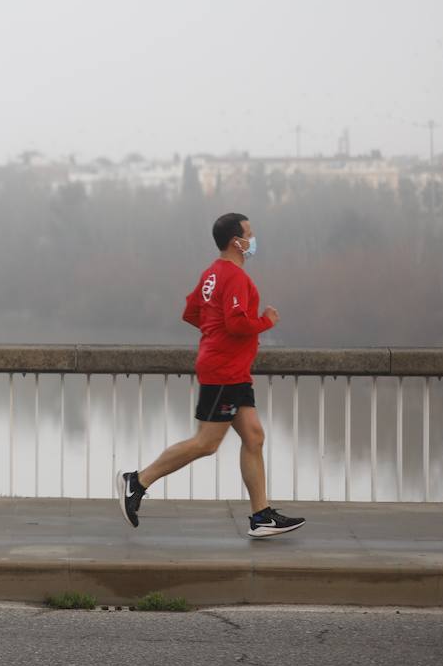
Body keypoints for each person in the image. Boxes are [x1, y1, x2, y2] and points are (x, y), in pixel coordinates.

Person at [118, 212, 305, 538]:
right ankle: (138, 481)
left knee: (254, 436)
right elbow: (235, 324)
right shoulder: (234, 277)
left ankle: (261, 516)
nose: (253, 239)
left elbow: (192, 312)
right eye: (250, 233)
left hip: (231, 369)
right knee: (206, 443)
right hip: (224, 372)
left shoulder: (212, 274)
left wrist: (215, 334)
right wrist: (266, 322)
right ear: (237, 241)